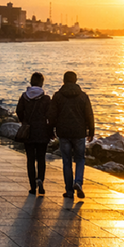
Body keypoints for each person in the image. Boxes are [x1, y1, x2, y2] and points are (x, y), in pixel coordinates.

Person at [47, 71, 94, 199]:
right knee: (80, 159)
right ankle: (78, 182)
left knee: (66, 161)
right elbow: (89, 114)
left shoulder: (57, 96)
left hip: (64, 133)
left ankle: (69, 191)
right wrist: (91, 131)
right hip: (79, 133)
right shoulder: (83, 96)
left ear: (64, 81)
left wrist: (51, 130)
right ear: (75, 80)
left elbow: (52, 115)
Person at [16, 72, 53, 195]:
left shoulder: (24, 97)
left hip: (29, 132)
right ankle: (40, 179)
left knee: (30, 159)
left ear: (31, 82)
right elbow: (50, 116)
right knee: (41, 158)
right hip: (42, 131)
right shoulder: (46, 98)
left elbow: (19, 111)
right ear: (42, 83)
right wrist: (50, 129)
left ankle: (33, 186)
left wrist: (24, 122)